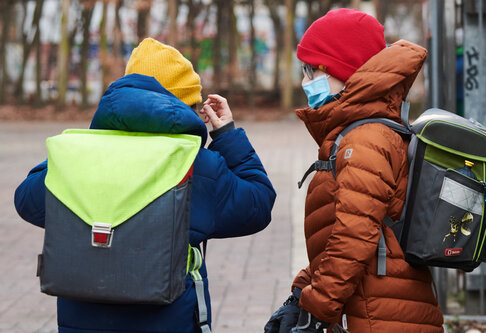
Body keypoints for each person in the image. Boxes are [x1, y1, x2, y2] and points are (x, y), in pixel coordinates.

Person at [14, 38, 276, 333]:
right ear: (184, 105)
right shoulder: (195, 165)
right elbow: (258, 202)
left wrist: (86, 144)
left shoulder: (85, 154)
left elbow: (26, 198)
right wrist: (227, 133)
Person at [265, 8, 444, 333]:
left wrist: (316, 309)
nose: (305, 82)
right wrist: (300, 293)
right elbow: (353, 233)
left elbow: (353, 239)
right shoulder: (359, 134)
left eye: (312, 71)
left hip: (378, 318)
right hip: (375, 311)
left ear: (344, 71)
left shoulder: (364, 141)